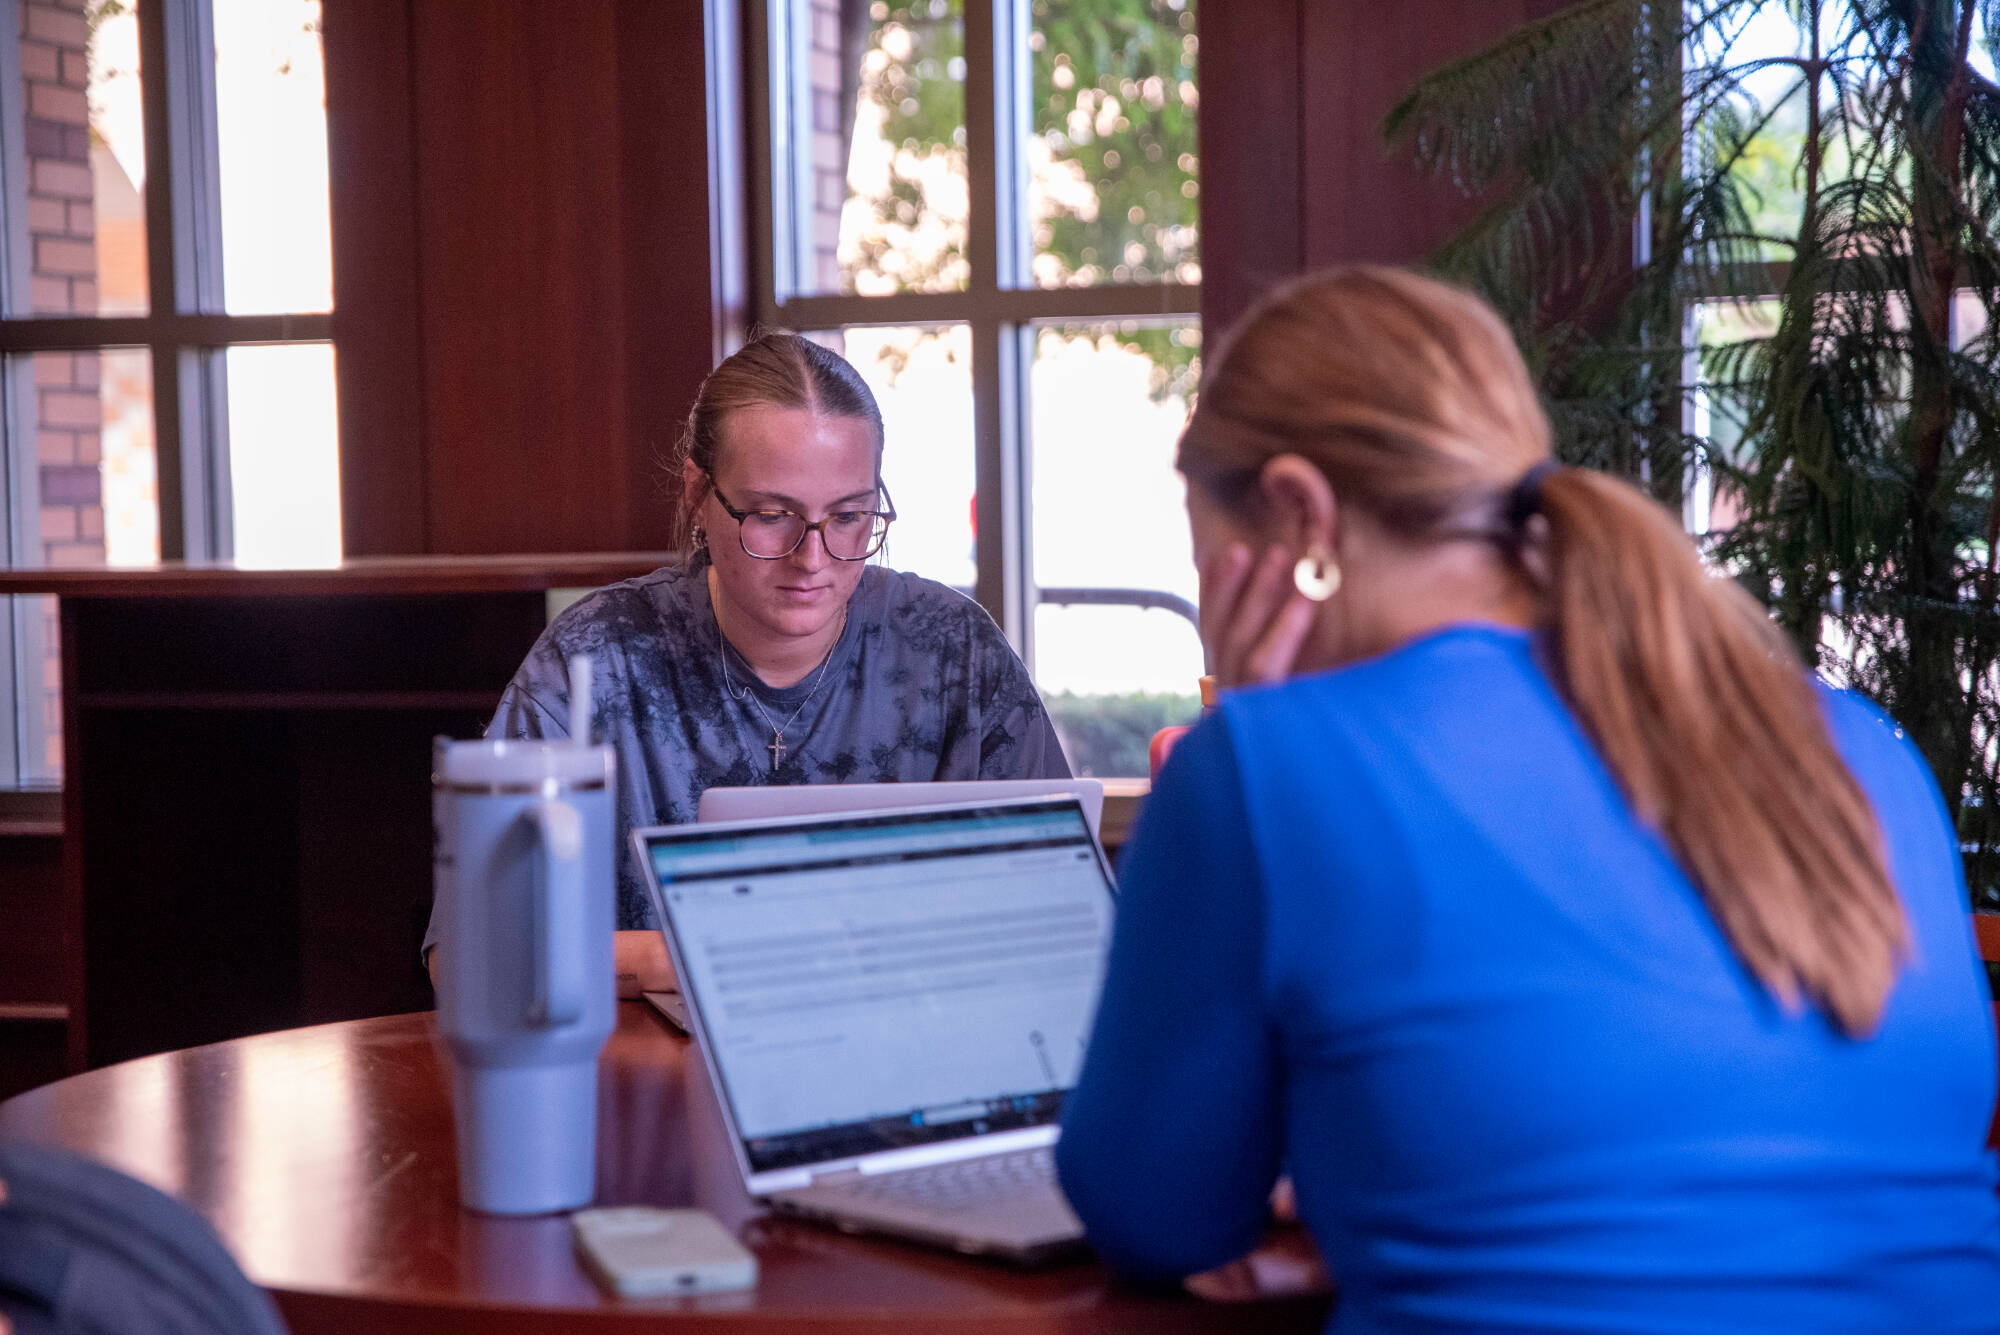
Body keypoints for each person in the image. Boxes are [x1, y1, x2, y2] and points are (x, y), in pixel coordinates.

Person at [1055, 266, 2000, 1332]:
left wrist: (1262, 725)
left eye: (1212, 564)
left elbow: (1154, 1219)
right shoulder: (1860, 746)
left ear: (1296, 512)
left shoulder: (1265, 766)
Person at [424, 333, 1069, 994]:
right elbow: (467, 950)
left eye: (849, 516)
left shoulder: (954, 650)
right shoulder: (594, 659)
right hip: (654, 1076)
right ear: (699, 493)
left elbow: (1059, 919)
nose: (812, 557)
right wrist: (678, 957)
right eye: (770, 514)